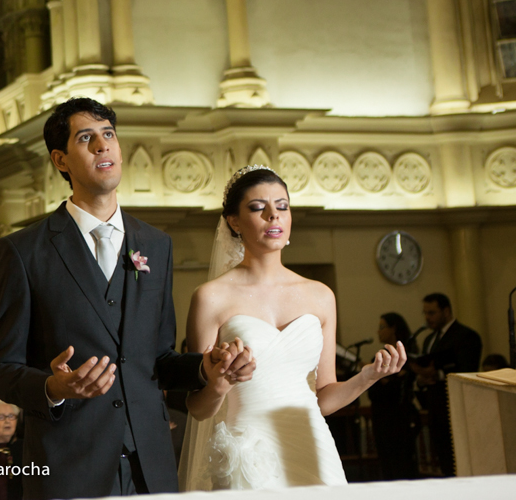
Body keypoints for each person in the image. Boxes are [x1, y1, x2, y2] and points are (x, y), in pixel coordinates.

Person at [0, 98, 240, 499]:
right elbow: (0, 369)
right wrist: (54, 387)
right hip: (68, 465)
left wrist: (205, 367)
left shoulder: (155, 245)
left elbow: (157, 359)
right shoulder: (24, 251)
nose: (102, 146)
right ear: (61, 160)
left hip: (150, 466)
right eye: (85, 138)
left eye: (109, 135)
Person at [179, 165, 406, 490]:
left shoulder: (320, 295)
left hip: (312, 445)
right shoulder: (211, 298)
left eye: (282, 206)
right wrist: (219, 385)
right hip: (249, 451)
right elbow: (197, 409)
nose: (274, 216)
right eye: (258, 208)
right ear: (234, 221)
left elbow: (323, 398)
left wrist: (368, 376)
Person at [411, 292, 483, 476]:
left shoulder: (466, 336)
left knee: (460, 463)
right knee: (444, 462)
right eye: (425, 313)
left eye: (432, 313)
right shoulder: (429, 339)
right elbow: (426, 369)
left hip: (456, 408)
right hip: (435, 408)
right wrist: (421, 378)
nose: (427, 318)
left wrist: (438, 374)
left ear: (446, 311)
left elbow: (467, 371)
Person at [368, 313, 419, 480]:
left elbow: (400, 388)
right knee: (386, 465)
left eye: (382, 327)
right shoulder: (378, 357)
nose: (378, 331)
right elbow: (373, 392)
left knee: (402, 466)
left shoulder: (409, 356)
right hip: (380, 417)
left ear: (394, 328)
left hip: (400, 417)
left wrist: (386, 382)